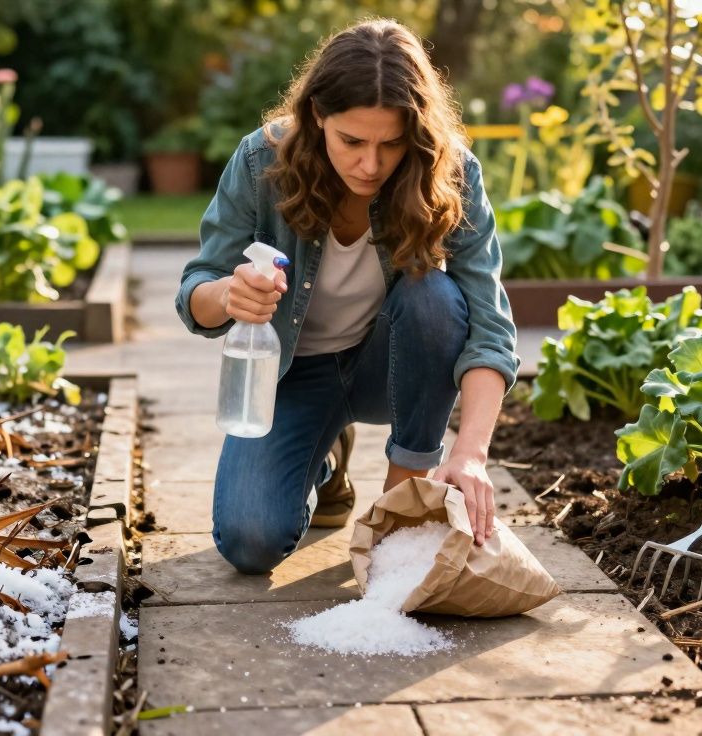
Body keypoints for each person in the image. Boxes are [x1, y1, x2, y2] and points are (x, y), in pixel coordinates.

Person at [174, 18, 518, 575]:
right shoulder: (263, 162)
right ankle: (329, 461)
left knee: (434, 294)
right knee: (251, 541)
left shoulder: (449, 172)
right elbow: (195, 290)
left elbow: (490, 327)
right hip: (295, 374)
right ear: (316, 117)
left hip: (390, 368)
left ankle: (402, 498)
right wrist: (229, 294)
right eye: (352, 141)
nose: (370, 165)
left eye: (391, 144)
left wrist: (471, 454)